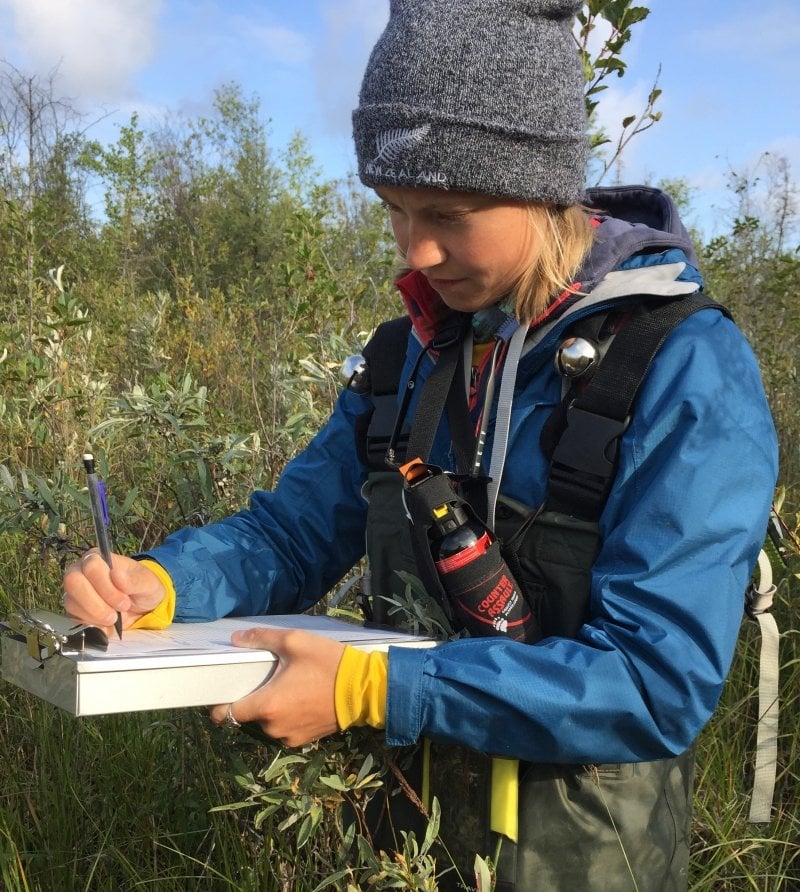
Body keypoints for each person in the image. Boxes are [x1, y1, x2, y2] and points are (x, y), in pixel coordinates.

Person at [63, 1, 779, 889]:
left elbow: (653, 682)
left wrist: (378, 692)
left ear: (544, 185)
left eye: (449, 210)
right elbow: (293, 534)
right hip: (400, 844)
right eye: (393, 208)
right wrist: (164, 583)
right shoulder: (407, 356)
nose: (419, 248)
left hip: (590, 862)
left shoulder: (684, 369)